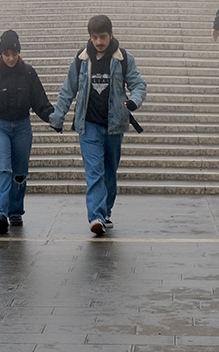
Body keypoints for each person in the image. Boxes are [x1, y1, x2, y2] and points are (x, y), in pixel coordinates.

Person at [49, 15, 148, 236]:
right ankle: (96, 216)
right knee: (94, 172)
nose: (99, 42)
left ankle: (106, 212)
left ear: (111, 35)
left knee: (110, 171)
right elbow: (68, 89)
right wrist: (58, 116)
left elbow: (139, 84)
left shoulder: (123, 59)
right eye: (95, 37)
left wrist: (134, 101)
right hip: (89, 125)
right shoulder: (81, 59)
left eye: (103, 37)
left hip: (114, 125)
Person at [0, 30, 55, 234]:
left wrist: (53, 117)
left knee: (20, 172)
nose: (10, 58)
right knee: (2, 169)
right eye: (6, 54)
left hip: (22, 126)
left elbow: (39, 101)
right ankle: (0, 213)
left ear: (19, 53)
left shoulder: (28, 73)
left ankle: (15, 210)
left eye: (14, 53)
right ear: (0, 54)